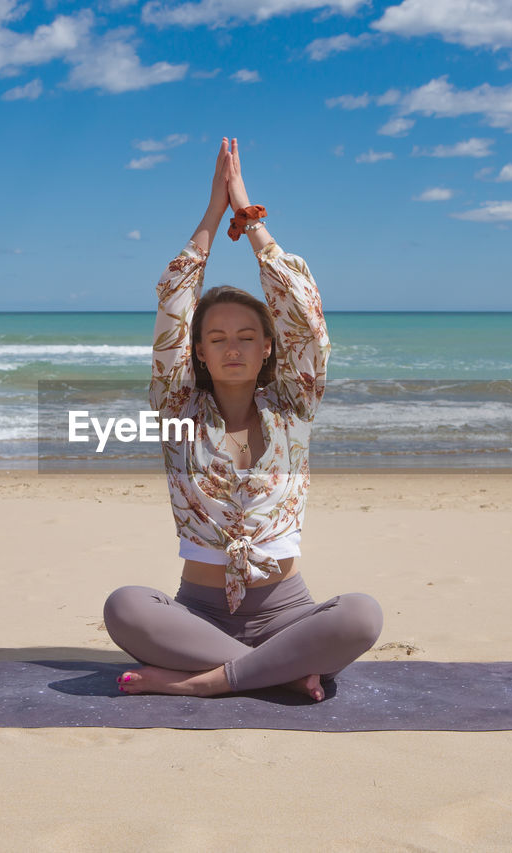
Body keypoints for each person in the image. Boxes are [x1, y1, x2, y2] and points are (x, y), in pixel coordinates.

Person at [102, 137, 383, 702]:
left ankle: (211, 683)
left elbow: (303, 315)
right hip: (197, 619)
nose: (233, 348)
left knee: (362, 615)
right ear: (198, 351)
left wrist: (248, 217)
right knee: (124, 605)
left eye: (248, 337)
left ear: (268, 349)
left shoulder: (295, 405)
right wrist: (211, 212)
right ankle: (274, 673)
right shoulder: (177, 410)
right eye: (218, 338)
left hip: (289, 614)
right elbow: (175, 304)